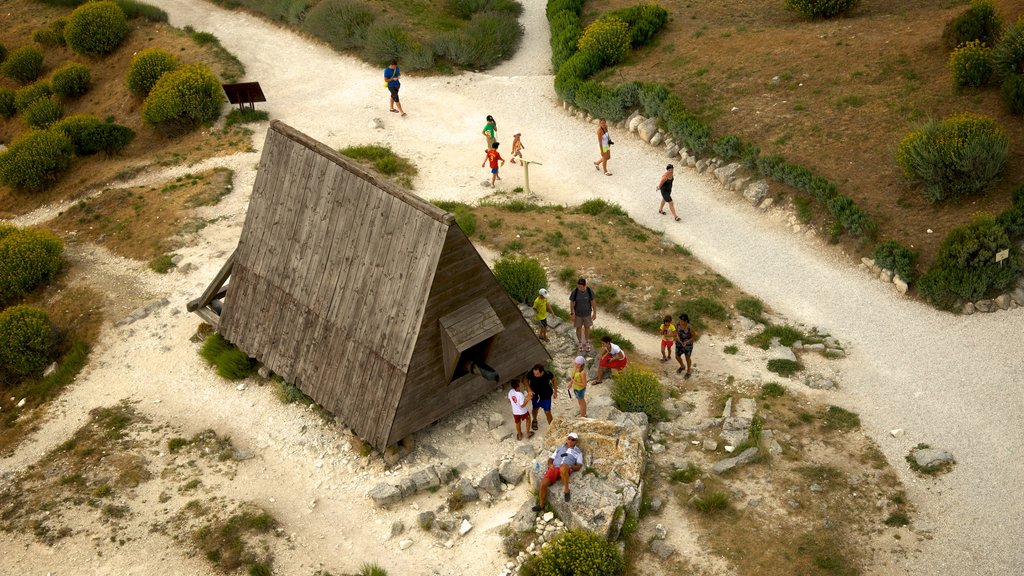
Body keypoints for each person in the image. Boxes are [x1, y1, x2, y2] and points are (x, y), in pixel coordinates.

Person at [532, 432, 583, 511]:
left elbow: (579, 466)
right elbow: (551, 458)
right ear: (567, 439)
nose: (570, 440)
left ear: (576, 441)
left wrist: (570, 466)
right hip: (555, 468)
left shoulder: (578, 452)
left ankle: (566, 490)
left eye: (573, 440)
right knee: (543, 483)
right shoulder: (560, 448)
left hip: (565, 469)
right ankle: (541, 505)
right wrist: (550, 464)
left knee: (563, 467)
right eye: (569, 438)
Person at [527, 363, 557, 431]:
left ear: (542, 372)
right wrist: (529, 389)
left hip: (546, 395)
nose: (534, 375)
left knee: (547, 412)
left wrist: (555, 391)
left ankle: (552, 428)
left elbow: (554, 379)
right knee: (535, 409)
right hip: (535, 395)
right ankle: (534, 420)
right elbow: (525, 380)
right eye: (534, 373)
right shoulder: (532, 373)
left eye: (537, 374)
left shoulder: (547, 373)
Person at [569, 277, 597, 352]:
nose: (579, 288)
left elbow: (593, 302)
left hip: (587, 314)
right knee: (578, 328)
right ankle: (580, 342)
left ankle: (587, 342)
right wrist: (572, 313)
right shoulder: (575, 292)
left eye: (581, 287)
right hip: (578, 314)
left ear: (585, 286)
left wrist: (594, 313)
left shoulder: (589, 291)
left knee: (587, 328)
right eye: (578, 287)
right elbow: (572, 302)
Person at [675, 313, 697, 379]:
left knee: (687, 358)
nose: (680, 322)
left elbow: (694, 337)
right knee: (677, 356)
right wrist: (677, 338)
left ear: (685, 321)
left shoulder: (690, 328)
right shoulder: (678, 324)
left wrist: (687, 342)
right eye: (680, 320)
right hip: (679, 343)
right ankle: (682, 366)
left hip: (688, 345)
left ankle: (688, 371)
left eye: (681, 321)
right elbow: (676, 332)